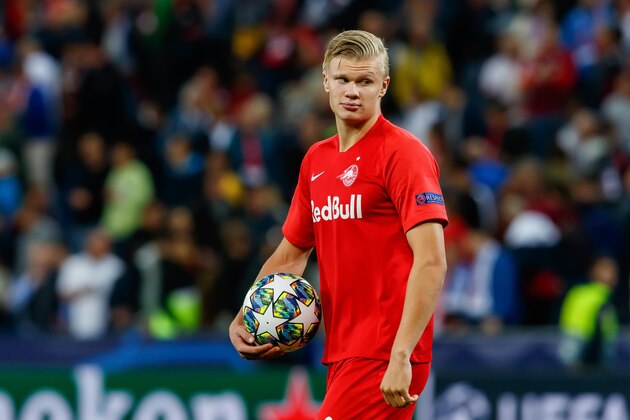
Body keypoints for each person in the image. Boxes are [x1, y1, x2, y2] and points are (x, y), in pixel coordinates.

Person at [228, 30, 448, 418]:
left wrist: (401, 355)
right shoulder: (316, 160)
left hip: (384, 353)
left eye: (364, 82)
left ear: (384, 86)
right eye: (343, 79)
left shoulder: (404, 154)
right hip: (342, 351)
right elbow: (291, 252)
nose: (352, 91)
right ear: (326, 81)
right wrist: (248, 313)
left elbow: (431, 260)